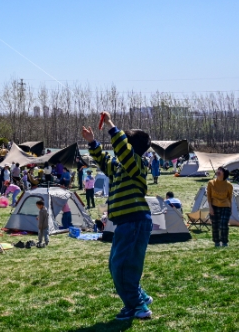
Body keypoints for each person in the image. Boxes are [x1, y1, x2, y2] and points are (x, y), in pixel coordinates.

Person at [84, 111, 153, 321]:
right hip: (129, 222)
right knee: (121, 264)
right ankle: (139, 297)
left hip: (134, 221)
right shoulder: (122, 167)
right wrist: (92, 142)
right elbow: (105, 162)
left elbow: (122, 148)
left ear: (131, 149)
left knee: (121, 265)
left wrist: (111, 125)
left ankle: (137, 307)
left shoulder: (137, 165)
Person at [207, 167, 234, 248]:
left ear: (224, 174)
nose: (218, 171)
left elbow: (230, 198)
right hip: (214, 206)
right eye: (218, 170)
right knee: (215, 225)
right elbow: (208, 197)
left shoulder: (229, 185)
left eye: (221, 170)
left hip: (225, 206)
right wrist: (210, 207)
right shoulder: (211, 183)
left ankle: (225, 242)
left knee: (223, 225)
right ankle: (217, 242)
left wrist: (231, 209)